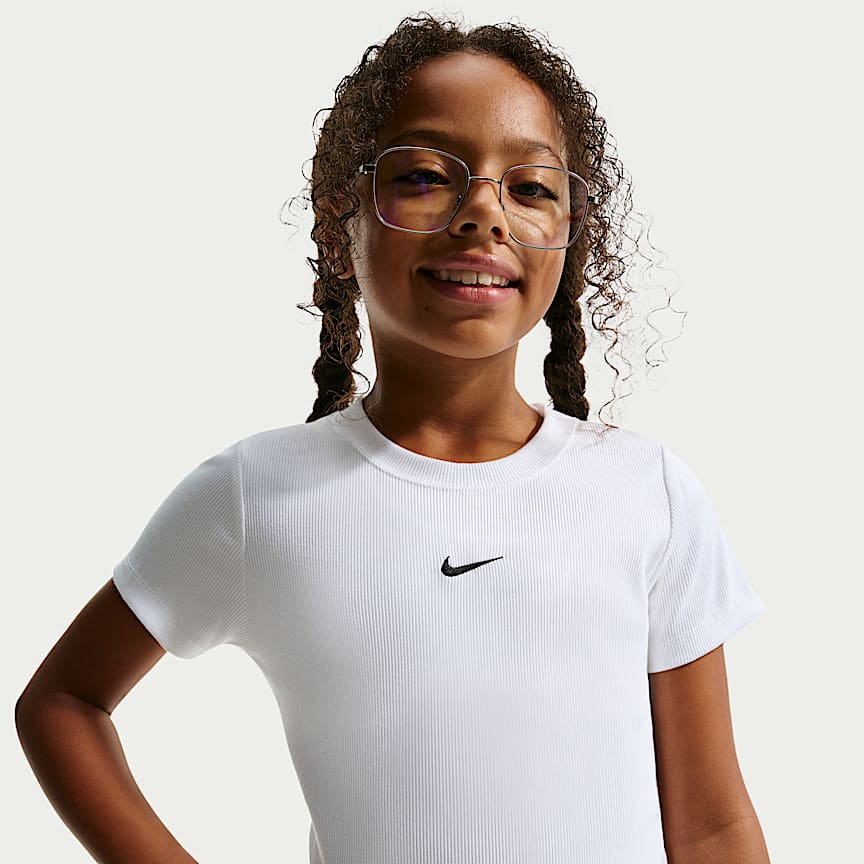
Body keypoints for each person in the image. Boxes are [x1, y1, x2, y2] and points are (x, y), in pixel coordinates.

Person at [15, 12, 771, 864]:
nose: (484, 212)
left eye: (529, 187)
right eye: (425, 176)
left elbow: (711, 826)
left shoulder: (644, 490)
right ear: (340, 224)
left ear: (570, 236)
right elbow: (64, 704)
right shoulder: (258, 494)